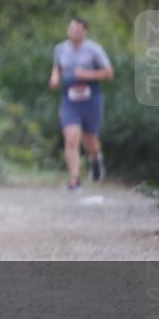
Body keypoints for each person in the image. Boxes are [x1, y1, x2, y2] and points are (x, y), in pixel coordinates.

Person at [48, 18, 113, 191]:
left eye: (77, 29)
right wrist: (55, 77)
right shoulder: (60, 49)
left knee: (89, 140)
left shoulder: (94, 49)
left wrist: (87, 74)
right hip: (70, 99)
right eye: (71, 28)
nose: (73, 32)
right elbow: (57, 67)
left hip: (91, 99)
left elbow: (108, 73)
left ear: (85, 32)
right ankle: (74, 180)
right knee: (71, 138)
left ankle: (95, 158)